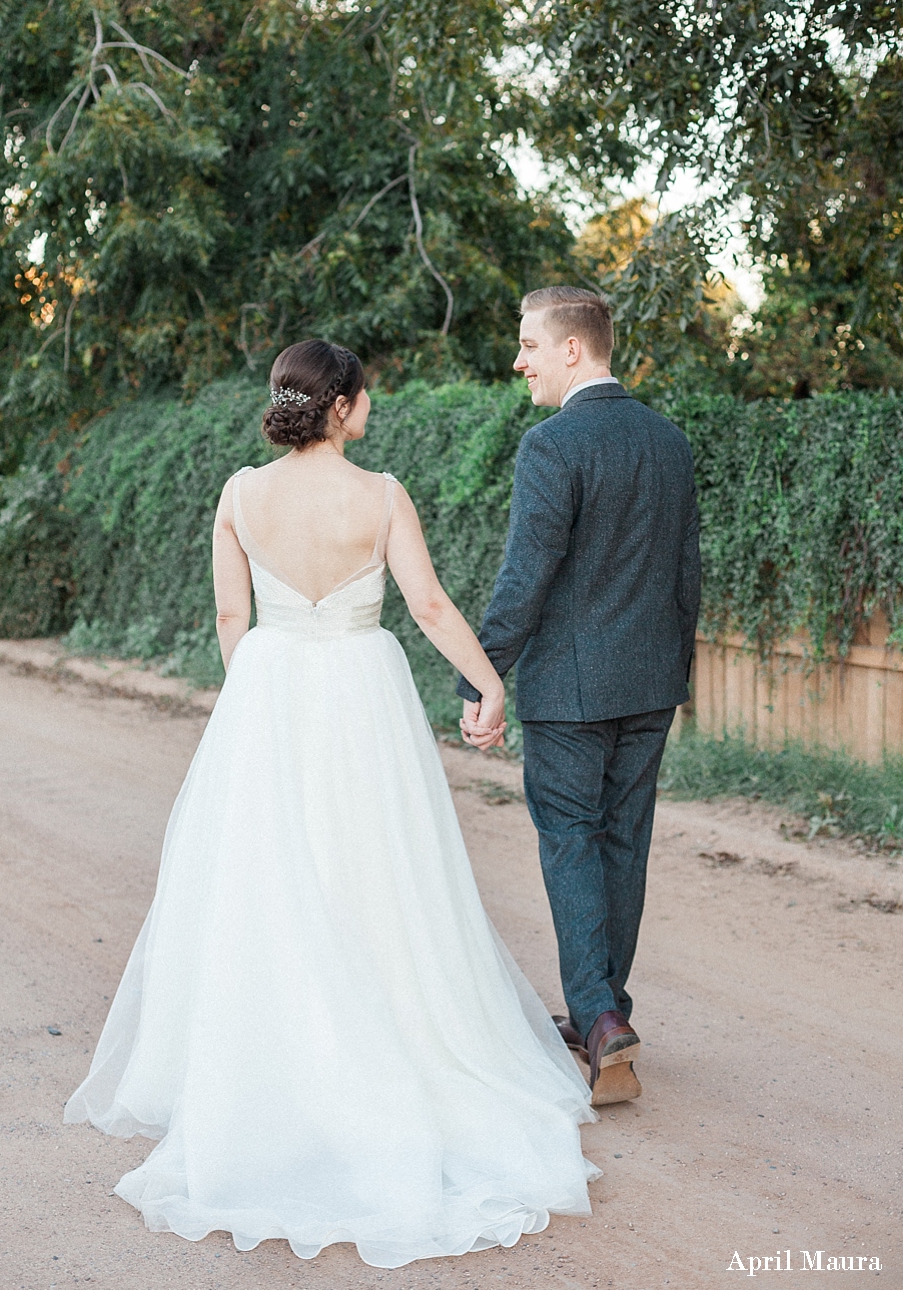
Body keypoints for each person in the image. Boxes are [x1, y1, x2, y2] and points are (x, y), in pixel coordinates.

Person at [65, 339, 599, 1269]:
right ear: (344, 406)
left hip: (268, 690)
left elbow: (232, 622)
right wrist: (487, 686)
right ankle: (387, 1033)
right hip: (361, 690)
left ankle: (271, 1059)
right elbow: (427, 606)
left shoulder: (240, 493)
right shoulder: (381, 495)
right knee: (376, 870)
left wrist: (257, 706)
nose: (370, 409)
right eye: (367, 398)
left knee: (270, 876)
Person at [459, 288, 701, 1107]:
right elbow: (685, 579)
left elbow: (524, 579)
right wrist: (678, 674)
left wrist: (480, 676)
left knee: (569, 840)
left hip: (567, 689)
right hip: (650, 683)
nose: (518, 359)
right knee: (621, 844)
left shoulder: (551, 445)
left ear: (572, 350)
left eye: (528, 343)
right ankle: (607, 1014)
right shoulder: (668, 442)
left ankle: (596, 1017)